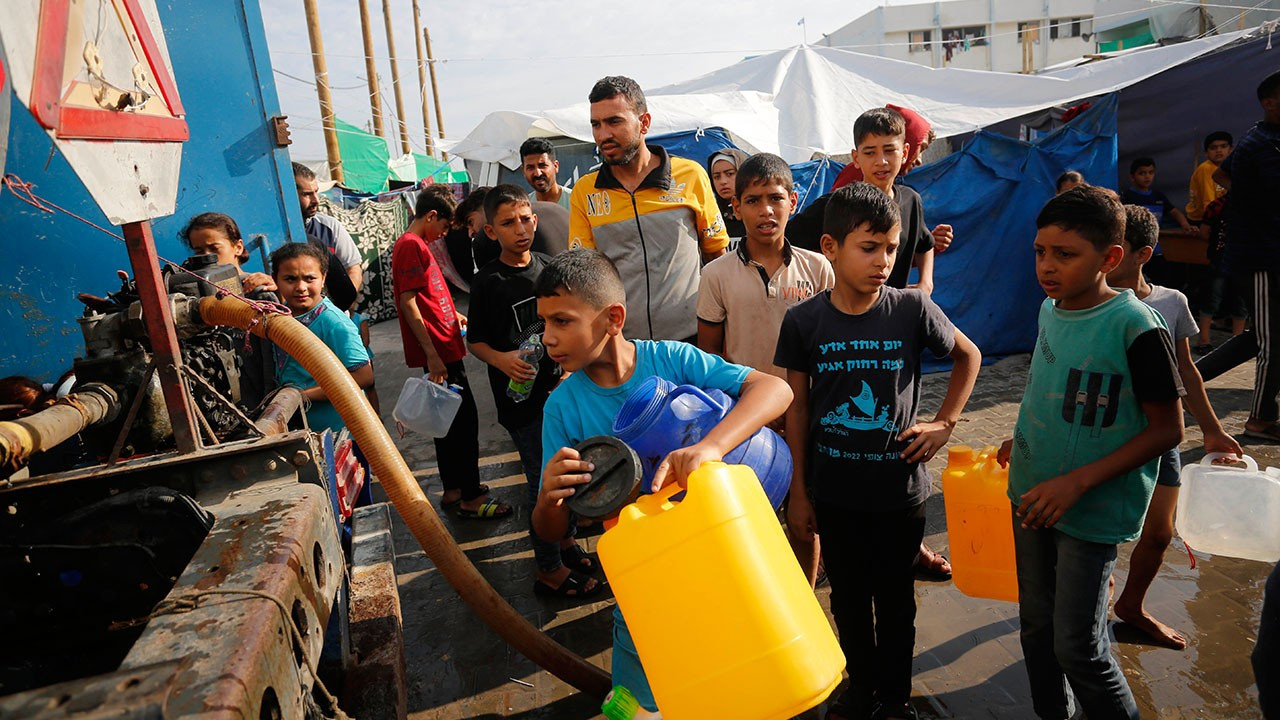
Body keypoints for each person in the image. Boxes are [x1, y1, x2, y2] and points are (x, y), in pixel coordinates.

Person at [532, 250, 792, 713]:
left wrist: (710, 446)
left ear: (612, 318)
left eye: (562, 321)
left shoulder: (671, 361)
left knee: (740, 692)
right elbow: (553, 532)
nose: (548, 339)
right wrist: (550, 498)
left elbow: (776, 389)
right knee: (644, 705)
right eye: (544, 323)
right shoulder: (562, 409)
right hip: (645, 591)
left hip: (726, 565)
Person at [776, 182, 981, 720]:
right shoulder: (804, 321)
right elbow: (796, 409)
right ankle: (860, 686)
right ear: (830, 247)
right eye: (869, 248)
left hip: (900, 491)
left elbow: (969, 356)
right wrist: (799, 492)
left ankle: (894, 697)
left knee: (894, 602)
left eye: (891, 249)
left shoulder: (912, 309)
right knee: (845, 596)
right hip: (835, 491)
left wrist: (945, 423)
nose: (884, 261)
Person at [997, 184, 1184, 720]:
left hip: (1091, 511)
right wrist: (1025, 435)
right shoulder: (1049, 309)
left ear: (1112, 258)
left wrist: (1077, 481)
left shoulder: (1136, 326)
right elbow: (1049, 385)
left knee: (1079, 647)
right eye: (1040, 252)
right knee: (1036, 626)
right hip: (1031, 493)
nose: (1047, 267)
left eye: (1065, 254)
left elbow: (1167, 429)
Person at [1106, 204, 1242, 649]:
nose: (1106, 256)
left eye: (1117, 249)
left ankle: (1130, 605)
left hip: (1162, 434)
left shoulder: (1170, 302)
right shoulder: (1085, 299)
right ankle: (1092, 602)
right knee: (1102, 529)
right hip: (1105, 434)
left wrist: (1212, 429)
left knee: (1160, 532)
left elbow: (1187, 371)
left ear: (1142, 254)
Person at [696, 153, 833, 585]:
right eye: (753, 200)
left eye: (775, 198)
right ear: (735, 209)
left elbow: (832, 352)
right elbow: (711, 361)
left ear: (793, 200)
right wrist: (742, 413)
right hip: (746, 420)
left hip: (810, 416)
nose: (766, 210)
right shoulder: (716, 275)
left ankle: (806, 600)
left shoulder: (818, 268)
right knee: (749, 519)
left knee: (804, 516)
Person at [466, 185, 600, 599]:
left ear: (536, 220)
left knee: (570, 469)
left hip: (560, 393)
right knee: (541, 482)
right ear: (491, 231)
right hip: (520, 402)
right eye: (507, 223)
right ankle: (548, 570)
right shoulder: (488, 281)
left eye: (525, 219)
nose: (519, 229)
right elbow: (476, 341)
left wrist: (568, 369)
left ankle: (564, 541)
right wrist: (503, 360)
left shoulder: (550, 269)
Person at [568, 76, 729, 342]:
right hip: (624, 346)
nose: (603, 134)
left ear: (644, 123)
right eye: (596, 124)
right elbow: (586, 278)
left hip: (692, 341)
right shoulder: (585, 192)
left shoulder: (690, 175)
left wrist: (719, 335)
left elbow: (718, 260)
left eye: (614, 122)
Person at [393, 185, 511, 519]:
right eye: (444, 226)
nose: (444, 234)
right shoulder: (411, 246)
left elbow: (428, 297)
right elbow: (409, 302)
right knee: (464, 422)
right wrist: (432, 355)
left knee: (445, 422)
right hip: (440, 353)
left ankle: (454, 489)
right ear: (431, 216)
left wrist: (451, 315)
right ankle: (471, 497)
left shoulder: (418, 245)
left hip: (444, 346)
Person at [1199, 70, 1280, 439]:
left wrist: (1246, 203)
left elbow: (1224, 175)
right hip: (1261, 257)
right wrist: (1252, 212)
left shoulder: (1263, 140)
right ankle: (1261, 419)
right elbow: (1223, 176)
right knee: (1272, 342)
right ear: (1269, 102)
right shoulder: (1261, 143)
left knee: (1257, 337)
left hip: (1265, 250)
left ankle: (1184, 380)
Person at [269, 242, 371, 435]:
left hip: (341, 432)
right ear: (276, 280)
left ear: (323, 278)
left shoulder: (333, 322)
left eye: (309, 278)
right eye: (290, 279)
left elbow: (363, 377)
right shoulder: (282, 317)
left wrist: (300, 396)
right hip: (306, 430)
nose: (300, 287)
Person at [292, 162, 365, 308]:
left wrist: (344, 305)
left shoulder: (329, 227)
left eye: (316, 192)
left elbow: (353, 267)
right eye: (307, 194)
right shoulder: (280, 234)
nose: (316, 200)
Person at [1120, 157, 1193, 233]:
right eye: (1142, 173)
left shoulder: (1158, 196)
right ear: (1132, 177)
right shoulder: (1126, 197)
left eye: (1150, 172)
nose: (1147, 176)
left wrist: (1185, 224)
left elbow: (1174, 211)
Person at [1186, 131, 1232, 224]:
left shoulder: (1232, 166)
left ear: (1231, 149)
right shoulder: (1206, 169)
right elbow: (1208, 204)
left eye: (1223, 146)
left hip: (1222, 214)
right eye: (1213, 148)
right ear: (1206, 153)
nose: (1219, 150)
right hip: (1202, 219)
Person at [705, 148, 750, 241]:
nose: (723, 182)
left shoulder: (759, 213)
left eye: (730, 174)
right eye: (716, 177)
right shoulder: (710, 217)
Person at [520, 138, 573, 210]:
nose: (537, 174)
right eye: (530, 168)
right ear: (523, 171)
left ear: (556, 166)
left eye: (542, 166)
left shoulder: (576, 201)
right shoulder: (524, 208)